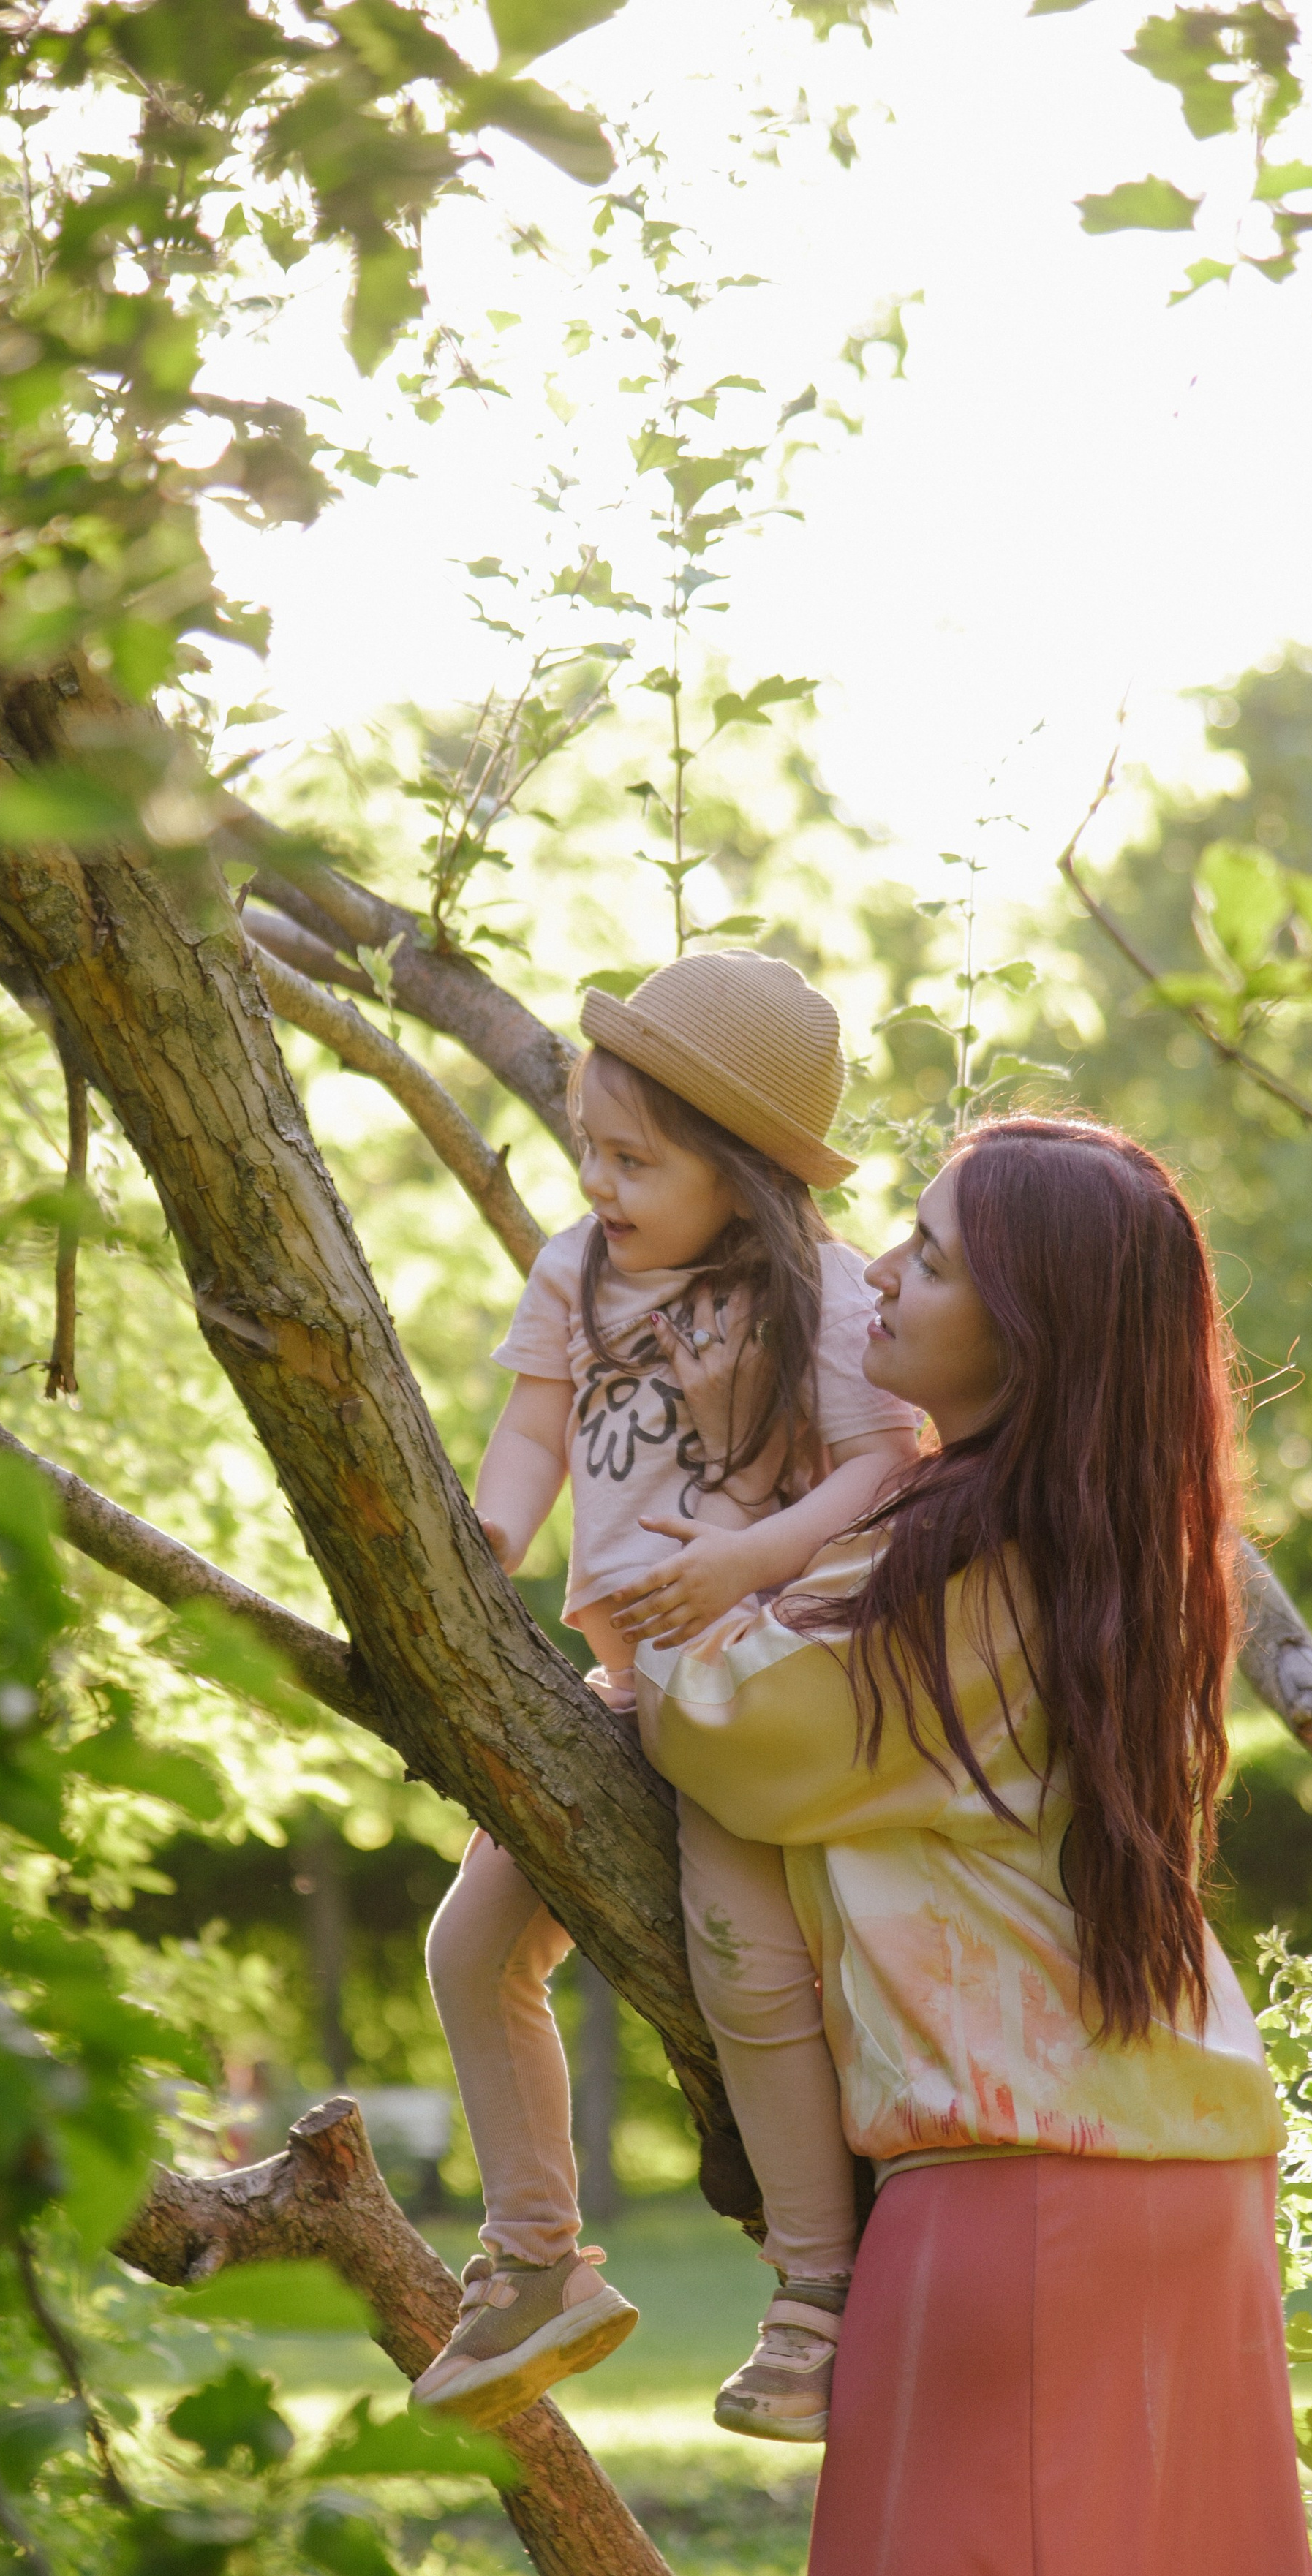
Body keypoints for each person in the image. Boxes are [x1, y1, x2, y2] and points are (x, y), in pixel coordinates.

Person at [636, 1114, 1312, 2576]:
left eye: (934, 1254)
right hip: (1165, 2176)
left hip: (1024, 2192)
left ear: (1028, 1333)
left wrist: (681, 1600)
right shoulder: (1119, 1554)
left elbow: (731, 1727)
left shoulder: (959, 1571)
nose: (879, 1270)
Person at [412, 950, 921, 2433]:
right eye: (592, 1148)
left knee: (746, 1967)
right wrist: (487, 1536)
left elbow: (888, 1467)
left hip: (748, 1701)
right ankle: (532, 2260)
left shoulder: (819, 1298)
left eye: (636, 1159)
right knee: (470, 1944)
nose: (601, 1181)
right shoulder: (573, 1266)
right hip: (622, 1691)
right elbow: (530, 1431)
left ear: (741, 1169)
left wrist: (745, 1558)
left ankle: (815, 2294)